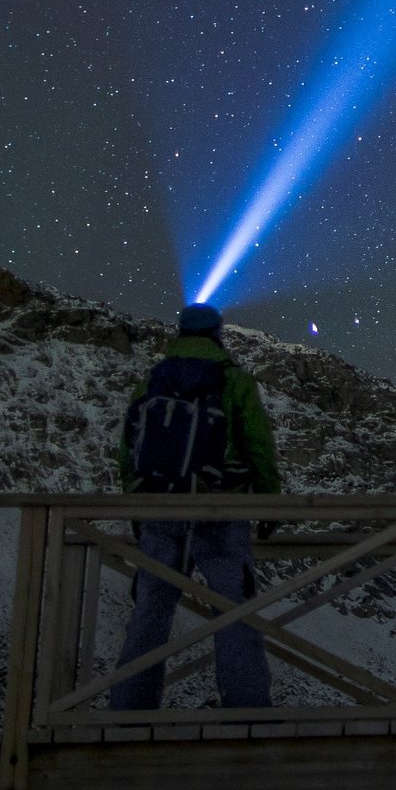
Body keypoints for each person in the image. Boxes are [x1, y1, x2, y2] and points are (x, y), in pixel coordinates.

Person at [109, 302, 283, 711]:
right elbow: (259, 448)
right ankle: (247, 707)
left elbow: (128, 448)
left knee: (150, 609)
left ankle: (130, 710)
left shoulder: (154, 380)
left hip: (160, 509)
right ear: (218, 333)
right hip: (220, 510)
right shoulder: (233, 380)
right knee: (233, 609)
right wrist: (270, 506)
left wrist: (138, 508)